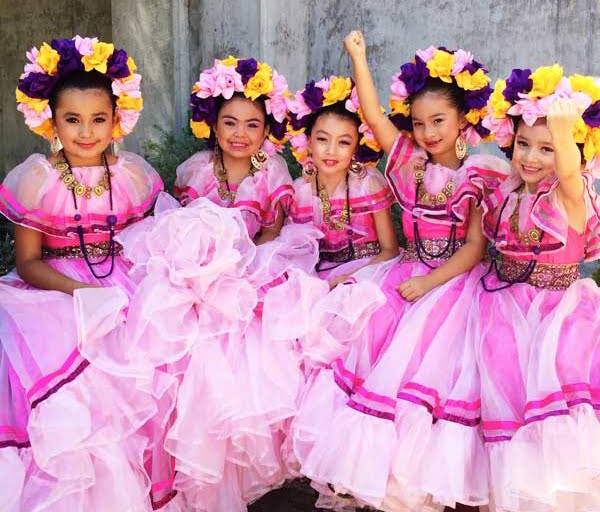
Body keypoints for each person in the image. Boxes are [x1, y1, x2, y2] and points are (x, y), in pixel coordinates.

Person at [286, 32, 509, 511]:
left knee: (429, 373)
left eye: (439, 121)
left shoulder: (481, 171)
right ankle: (374, 474)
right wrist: (359, 58)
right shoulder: (407, 160)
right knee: (371, 345)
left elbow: (475, 246)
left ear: (462, 119)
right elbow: (371, 115)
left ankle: (421, 481)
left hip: (452, 281)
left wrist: (430, 282)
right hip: (408, 268)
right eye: (419, 122)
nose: (428, 131)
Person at [0, 36, 163, 511]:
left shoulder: (131, 172)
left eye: (99, 119)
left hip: (121, 275)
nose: (86, 132)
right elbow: (28, 262)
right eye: (72, 120)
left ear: (118, 120)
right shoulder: (36, 178)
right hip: (54, 289)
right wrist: (84, 293)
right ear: (51, 121)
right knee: (68, 367)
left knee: (147, 348)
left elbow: (146, 238)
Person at [473, 67, 600, 511]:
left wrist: (565, 134)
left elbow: (566, 171)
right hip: (504, 309)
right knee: (508, 412)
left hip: (559, 315)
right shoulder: (508, 193)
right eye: (523, 144)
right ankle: (512, 500)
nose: (530, 157)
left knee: (555, 411)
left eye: (547, 149)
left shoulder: (571, 194)